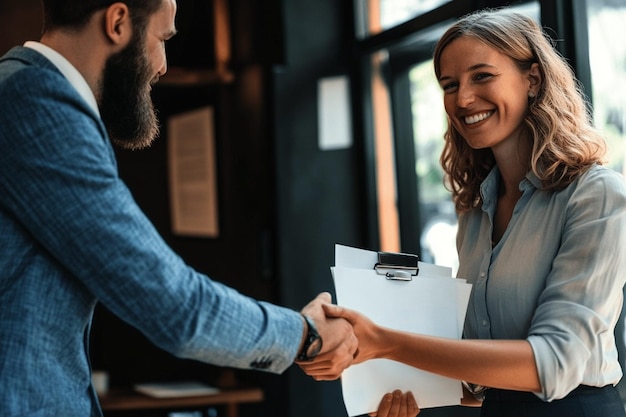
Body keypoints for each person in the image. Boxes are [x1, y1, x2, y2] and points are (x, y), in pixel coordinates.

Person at [0, 1, 357, 416]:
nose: (163, 65)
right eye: (161, 39)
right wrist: (305, 334)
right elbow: (172, 303)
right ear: (117, 23)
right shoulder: (35, 101)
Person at [307, 7, 626, 417]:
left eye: (482, 76)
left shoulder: (597, 195)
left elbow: (556, 362)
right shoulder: (475, 209)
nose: (462, 98)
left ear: (532, 79)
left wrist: (386, 342)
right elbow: (480, 381)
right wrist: (375, 372)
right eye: (449, 84)